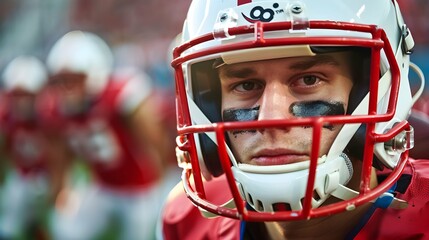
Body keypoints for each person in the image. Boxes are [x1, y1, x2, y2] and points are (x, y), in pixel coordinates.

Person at [161, 0, 429, 239]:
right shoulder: (186, 220)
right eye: (246, 85)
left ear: (376, 93)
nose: (272, 118)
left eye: (309, 80)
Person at [42, 30, 168, 240]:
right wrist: (60, 187)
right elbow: (61, 156)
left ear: (95, 73)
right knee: (65, 229)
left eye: (73, 79)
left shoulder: (121, 96)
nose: (65, 89)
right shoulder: (57, 109)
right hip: (102, 185)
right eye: (60, 80)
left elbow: (156, 141)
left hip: (139, 189)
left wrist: (160, 184)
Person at [0, 56, 51, 239]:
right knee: (9, 221)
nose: (21, 101)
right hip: (22, 173)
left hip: (47, 174)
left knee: (52, 223)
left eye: (27, 95)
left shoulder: (50, 114)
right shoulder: (6, 115)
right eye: (17, 95)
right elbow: (4, 147)